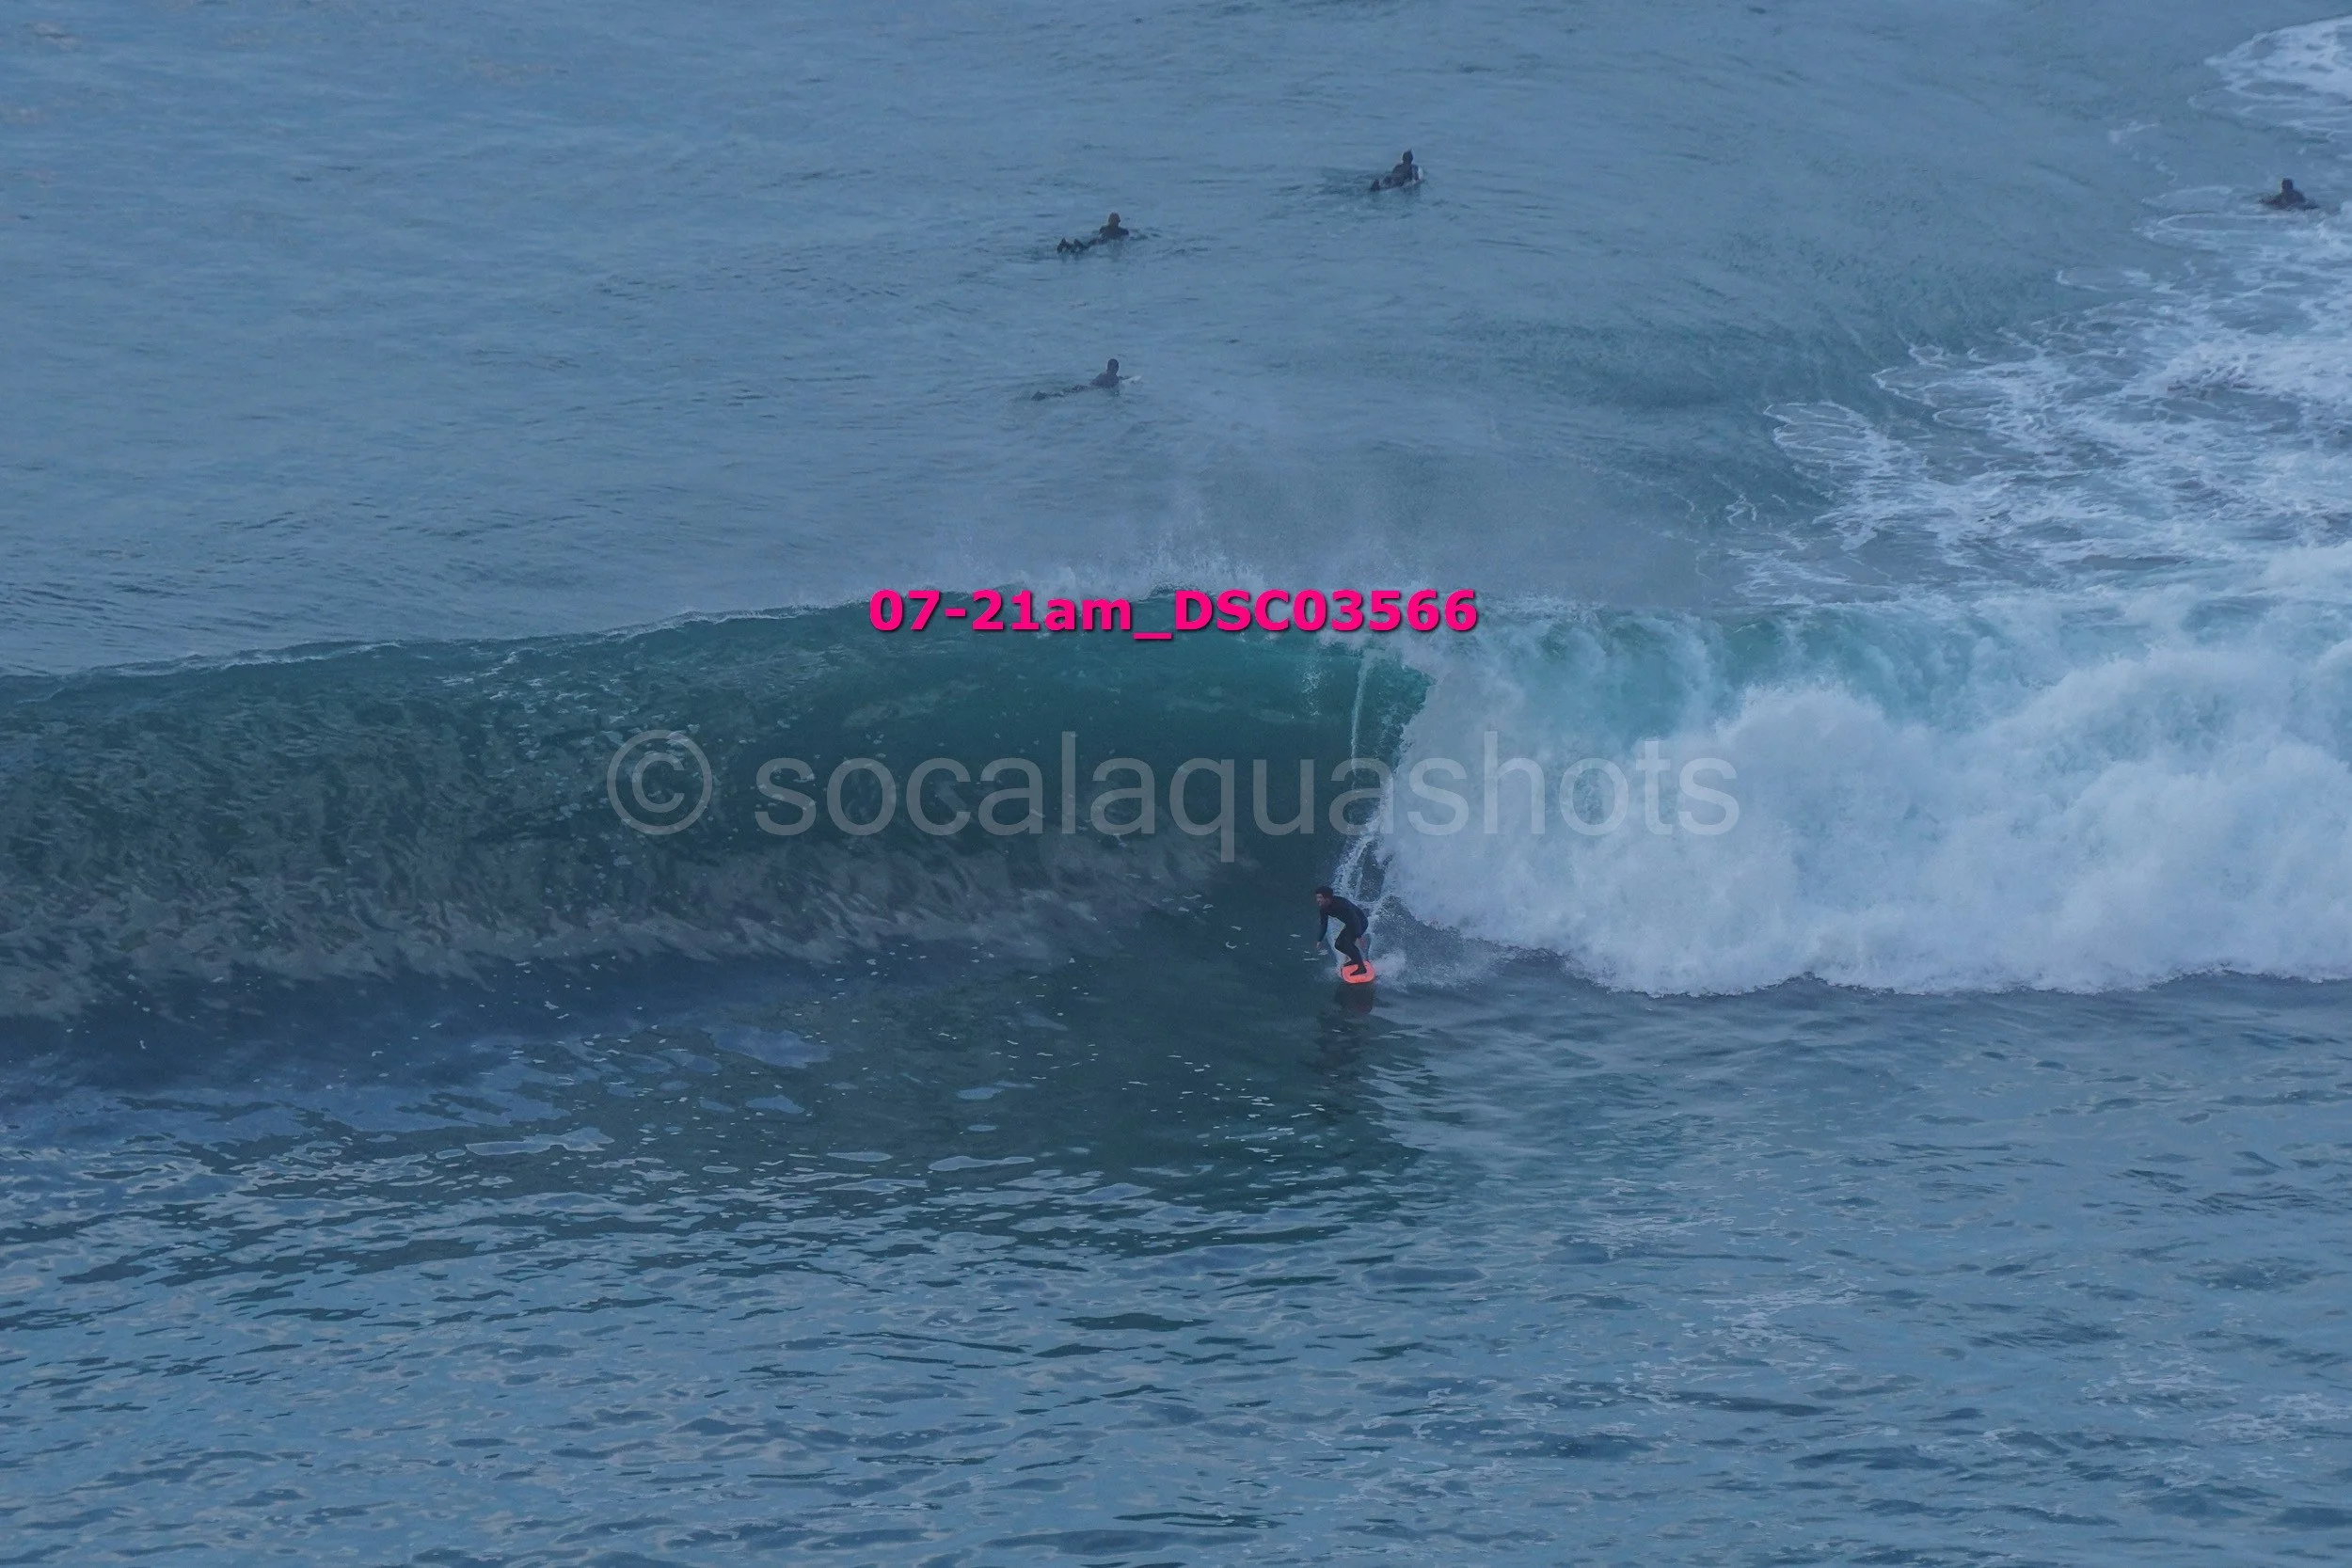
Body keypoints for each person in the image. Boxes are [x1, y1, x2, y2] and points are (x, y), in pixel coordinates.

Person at [1313, 886, 1372, 977]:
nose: (1317, 900)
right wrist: (1319, 940)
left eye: (1320, 897)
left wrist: (1359, 936)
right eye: (1317, 897)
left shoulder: (1342, 904)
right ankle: (1355, 960)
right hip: (1350, 924)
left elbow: (1355, 918)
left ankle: (1361, 968)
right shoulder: (1324, 908)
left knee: (1348, 944)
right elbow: (1324, 924)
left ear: (1327, 898)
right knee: (1338, 945)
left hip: (1360, 922)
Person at [1057, 212, 1133, 252]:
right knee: (1087, 245)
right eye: (1111, 220)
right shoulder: (1106, 228)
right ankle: (1067, 245)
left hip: (1102, 240)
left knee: (1087, 245)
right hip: (1102, 240)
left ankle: (1067, 244)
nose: (1112, 222)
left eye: (1113, 220)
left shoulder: (1122, 231)